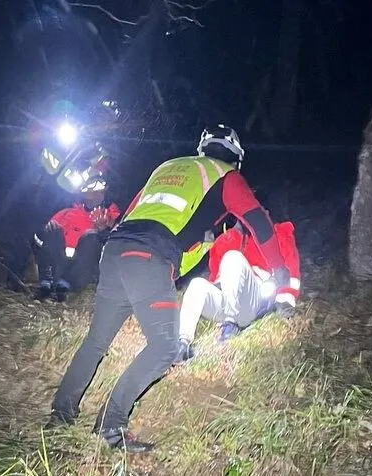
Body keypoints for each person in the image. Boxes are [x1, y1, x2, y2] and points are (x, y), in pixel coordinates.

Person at [47, 124, 291, 452]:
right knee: (164, 349)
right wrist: (280, 273)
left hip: (116, 250)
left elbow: (137, 213)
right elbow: (259, 223)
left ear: (202, 149)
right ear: (236, 158)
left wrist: (185, 258)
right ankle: (110, 425)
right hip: (149, 254)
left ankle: (60, 415)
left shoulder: (168, 168)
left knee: (95, 342)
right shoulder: (226, 176)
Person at [174, 220, 302, 363]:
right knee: (197, 284)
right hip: (228, 304)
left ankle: (230, 328)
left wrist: (284, 302)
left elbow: (291, 272)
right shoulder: (224, 240)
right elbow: (215, 276)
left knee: (233, 257)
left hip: (255, 302)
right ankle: (181, 345)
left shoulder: (276, 234)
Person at [33, 196, 121, 301]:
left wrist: (103, 231)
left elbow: (118, 244)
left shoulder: (110, 217)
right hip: (58, 266)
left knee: (92, 236)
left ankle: (67, 286)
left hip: (83, 271)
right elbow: (39, 240)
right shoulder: (66, 213)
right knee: (55, 232)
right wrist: (44, 232)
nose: (92, 192)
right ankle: (46, 284)